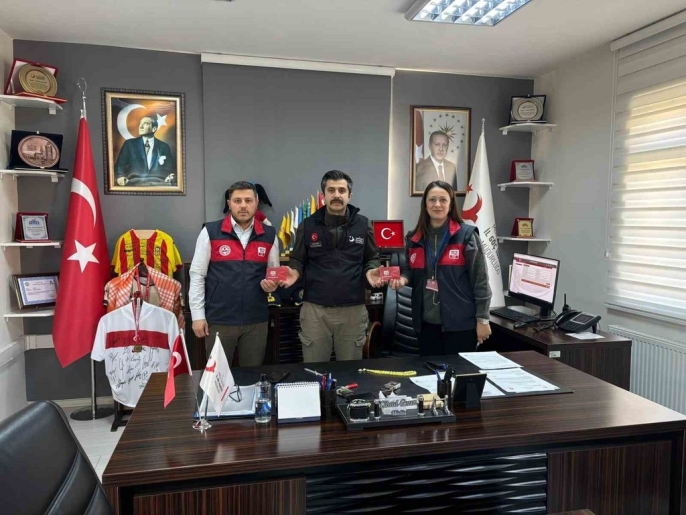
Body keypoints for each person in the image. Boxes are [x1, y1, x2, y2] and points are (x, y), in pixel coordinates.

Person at [279, 170, 383, 362]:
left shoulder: (363, 224)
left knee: (350, 370)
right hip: (315, 310)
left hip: (353, 309)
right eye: (331, 190)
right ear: (323, 195)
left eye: (341, 190)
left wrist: (371, 270)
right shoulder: (307, 225)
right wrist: (294, 271)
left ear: (349, 195)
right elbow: (298, 259)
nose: (336, 195)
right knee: (315, 369)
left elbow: (372, 257)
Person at [390, 180, 492, 355]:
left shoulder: (466, 236)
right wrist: (403, 279)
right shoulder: (414, 239)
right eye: (432, 199)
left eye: (443, 200)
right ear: (425, 204)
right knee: (430, 371)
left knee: (459, 372)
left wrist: (483, 319)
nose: (437, 204)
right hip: (425, 325)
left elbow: (480, 280)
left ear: (450, 204)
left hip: (460, 325)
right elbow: (409, 270)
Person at [189, 181, 280, 366]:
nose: (243, 205)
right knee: (217, 376)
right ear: (229, 203)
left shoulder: (270, 234)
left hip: (256, 320)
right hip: (219, 319)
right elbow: (197, 275)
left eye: (248, 200)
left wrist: (272, 285)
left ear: (256, 203)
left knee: (251, 375)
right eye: (237, 201)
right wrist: (198, 316)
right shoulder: (210, 232)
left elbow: (273, 274)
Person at [115, 116, 176, 186]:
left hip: (158, 183)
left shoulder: (164, 146)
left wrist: (170, 176)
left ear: (154, 129)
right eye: (140, 123)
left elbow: (169, 168)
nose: (140, 126)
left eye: (146, 123)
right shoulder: (129, 144)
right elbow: (119, 166)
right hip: (134, 183)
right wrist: (120, 177)